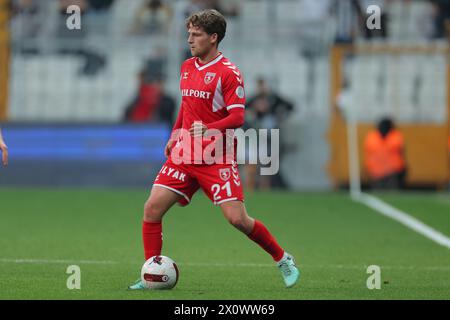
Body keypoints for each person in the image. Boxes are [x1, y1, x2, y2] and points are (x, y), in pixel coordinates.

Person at [128, 9, 299, 290]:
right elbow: (186, 107)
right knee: (152, 208)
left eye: (196, 35)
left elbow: (237, 117)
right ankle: (151, 273)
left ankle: (282, 258)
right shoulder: (186, 67)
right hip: (185, 153)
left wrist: (208, 129)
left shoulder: (228, 74)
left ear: (213, 37)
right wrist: (175, 135)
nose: (190, 40)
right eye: (189, 34)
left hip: (216, 156)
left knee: (238, 219)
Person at [364, 118, 407, 189]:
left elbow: (401, 153)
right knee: (378, 192)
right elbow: (368, 154)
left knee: (392, 193)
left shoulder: (396, 136)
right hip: (376, 172)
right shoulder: (372, 137)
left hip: (392, 172)